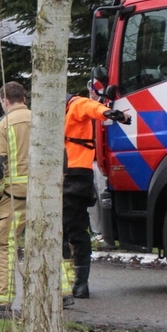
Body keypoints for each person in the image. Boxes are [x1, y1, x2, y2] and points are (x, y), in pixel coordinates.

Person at [63, 87, 130, 299]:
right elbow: (95, 109)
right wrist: (115, 115)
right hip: (81, 177)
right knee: (78, 230)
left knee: (62, 231)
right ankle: (81, 284)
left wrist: (112, 113)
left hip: (67, 176)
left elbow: (94, 108)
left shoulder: (74, 105)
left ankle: (65, 286)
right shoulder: (72, 105)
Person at [0, 82, 31, 314]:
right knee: (48, 243)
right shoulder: (42, 119)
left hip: (12, 198)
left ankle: (2, 301)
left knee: (3, 246)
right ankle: (61, 295)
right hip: (43, 197)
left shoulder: (1, 125)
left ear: (4, 101)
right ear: (24, 97)